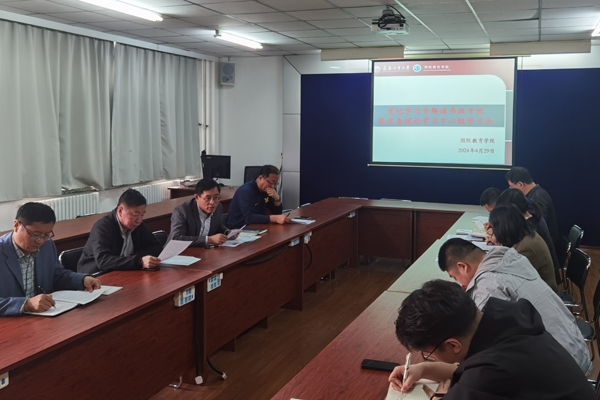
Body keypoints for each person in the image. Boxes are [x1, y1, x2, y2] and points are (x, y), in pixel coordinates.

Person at [389, 280, 596, 400]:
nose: (430, 358)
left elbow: (480, 377)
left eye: (429, 354)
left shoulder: (490, 372)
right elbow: (468, 371)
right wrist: (423, 369)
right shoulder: (504, 321)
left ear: (453, 344)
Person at [438, 238, 592, 375]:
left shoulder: (487, 287)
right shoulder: (510, 258)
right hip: (576, 346)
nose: (460, 284)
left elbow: (485, 346)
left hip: (563, 367)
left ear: (463, 266)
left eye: (455, 277)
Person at [0, 203, 101, 316]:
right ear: (16, 225)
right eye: (35, 234)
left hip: (42, 315)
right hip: (9, 320)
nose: (40, 241)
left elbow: (57, 275)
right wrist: (25, 304)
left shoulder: (47, 245)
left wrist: (82, 280)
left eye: (46, 235)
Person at [77, 189, 163, 274]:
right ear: (120, 211)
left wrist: (135, 259)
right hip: (95, 276)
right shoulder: (102, 227)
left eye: (142, 214)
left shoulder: (138, 225)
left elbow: (156, 246)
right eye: (135, 214)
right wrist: (138, 261)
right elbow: (103, 261)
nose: (139, 220)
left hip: (122, 271)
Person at [489, 203, 557, 291]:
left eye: (494, 228)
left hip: (542, 295)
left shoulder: (526, 248)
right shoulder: (525, 235)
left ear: (503, 228)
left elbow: (511, 279)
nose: (494, 231)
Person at [496, 188, 560, 275]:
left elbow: (512, 270)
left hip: (541, 280)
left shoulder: (530, 230)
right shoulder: (532, 217)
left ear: (511, 213)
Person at [167, 178, 238, 247]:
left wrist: (227, 232)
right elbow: (176, 238)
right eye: (208, 198)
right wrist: (208, 240)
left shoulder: (218, 207)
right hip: (178, 252)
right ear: (197, 197)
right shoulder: (182, 211)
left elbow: (217, 225)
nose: (212, 202)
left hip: (202, 251)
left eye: (216, 198)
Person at [506, 167, 559, 246]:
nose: (511, 189)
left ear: (520, 184)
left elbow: (535, 228)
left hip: (544, 246)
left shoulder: (539, 197)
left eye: (511, 186)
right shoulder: (534, 194)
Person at [226, 165, 290, 228]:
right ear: (261, 178)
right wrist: (274, 218)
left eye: (275, 184)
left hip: (256, 226)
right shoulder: (246, 191)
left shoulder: (267, 190)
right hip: (238, 228)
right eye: (271, 183)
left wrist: (277, 199)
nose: (273, 186)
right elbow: (249, 218)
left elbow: (277, 213)